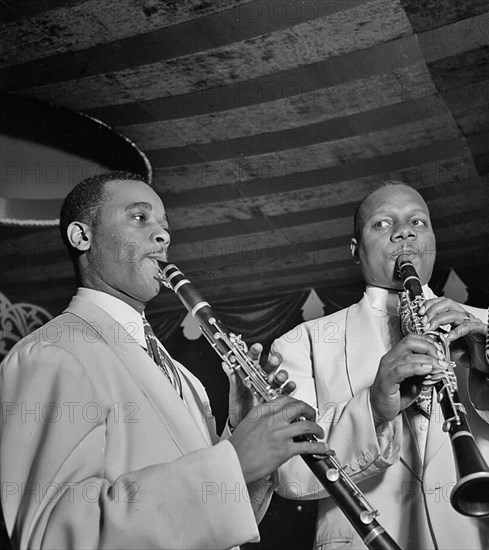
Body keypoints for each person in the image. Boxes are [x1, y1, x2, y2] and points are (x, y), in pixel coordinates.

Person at [0, 171, 330, 550]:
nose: (163, 236)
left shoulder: (184, 378)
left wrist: (242, 434)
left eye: (164, 226)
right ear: (82, 236)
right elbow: (54, 537)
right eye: (139, 218)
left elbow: (212, 524)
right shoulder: (50, 354)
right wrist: (234, 463)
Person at [272, 181, 489, 549]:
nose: (404, 231)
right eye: (382, 224)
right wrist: (373, 407)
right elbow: (289, 474)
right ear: (356, 251)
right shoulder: (303, 342)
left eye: (418, 223)